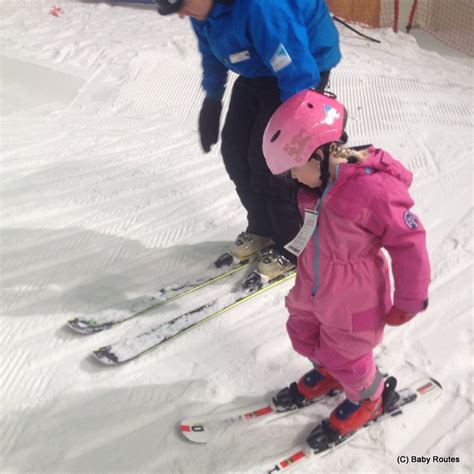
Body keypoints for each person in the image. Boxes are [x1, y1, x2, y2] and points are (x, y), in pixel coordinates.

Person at [261, 89, 430, 437]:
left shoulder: (372, 191)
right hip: (312, 288)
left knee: (348, 357)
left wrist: (410, 300)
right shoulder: (315, 186)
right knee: (302, 335)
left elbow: (409, 242)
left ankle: (370, 397)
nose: (293, 178)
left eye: (294, 168)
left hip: (355, 299)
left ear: (320, 154)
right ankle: (330, 372)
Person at [155, 0, 341, 278]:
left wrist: (299, 131)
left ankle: (291, 241)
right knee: (235, 152)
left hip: (301, 66)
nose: (181, 14)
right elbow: (210, 51)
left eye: (182, 4)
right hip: (260, 67)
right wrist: (213, 99)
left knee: (271, 161)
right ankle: (262, 227)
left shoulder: (262, 7)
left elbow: (296, 69)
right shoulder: (202, 11)